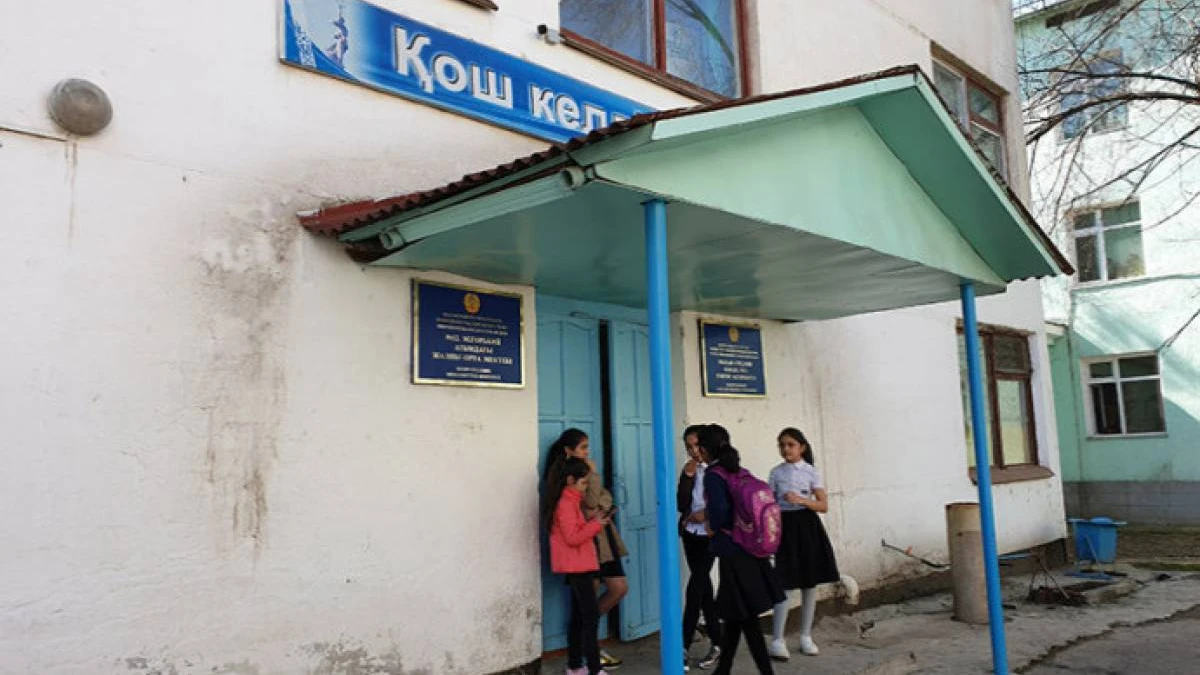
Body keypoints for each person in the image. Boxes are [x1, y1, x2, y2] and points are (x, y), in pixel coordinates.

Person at [699, 425, 784, 675]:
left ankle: (765, 671)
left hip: (732, 550)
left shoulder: (714, 474)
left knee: (745, 617)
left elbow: (719, 509)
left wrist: (713, 526)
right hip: (749, 545)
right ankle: (723, 669)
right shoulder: (736, 470)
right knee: (735, 613)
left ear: (704, 450)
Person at [544, 429, 629, 669]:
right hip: (585, 545)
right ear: (568, 451)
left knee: (618, 588)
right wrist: (593, 475)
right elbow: (591, 501)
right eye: (582, 447)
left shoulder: (580, 475)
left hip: (601, 541)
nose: (587, 452)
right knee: (584, 606)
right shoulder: (569, 478)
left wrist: (598, 501)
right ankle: (586, 654)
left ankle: (586, 644)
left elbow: (605, 499)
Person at [766, 427, 841, 660]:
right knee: (785, 583)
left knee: (810, 583)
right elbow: (768, 504)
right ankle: (777, 639)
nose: (785, 449)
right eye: (782, 445)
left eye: (791, 444)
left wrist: (801, 500)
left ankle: (806, 636)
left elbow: (823, 505)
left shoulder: (811, 472)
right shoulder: (776, 473)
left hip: (807, 527)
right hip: (785, 527)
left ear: (802, 447)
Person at [677, 424, 721, 670]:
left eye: (696, 445)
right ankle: (718, 641)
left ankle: (682, 645)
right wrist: (687, 477)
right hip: (690, 534)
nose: (693, 451)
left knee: (695, 587)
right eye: (688, 447)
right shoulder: (690, 469)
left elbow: (725, 503)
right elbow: (681, 503)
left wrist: (705, 514)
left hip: (710, 535)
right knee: (703, 588)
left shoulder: (718, 468)